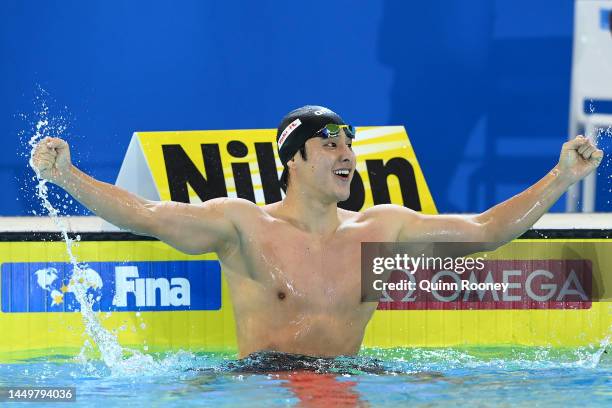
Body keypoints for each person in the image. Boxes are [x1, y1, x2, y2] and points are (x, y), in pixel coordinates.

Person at [30, 105, 604, 360]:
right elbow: (146, 215)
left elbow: (483, 232)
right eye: (330, 144)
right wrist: (67, 174)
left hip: (352, 383)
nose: (348, 155)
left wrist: (562, 175)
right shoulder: (243, 225)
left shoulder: (381, 227)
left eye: (349, 145)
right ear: (294, 163)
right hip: (266, 386)